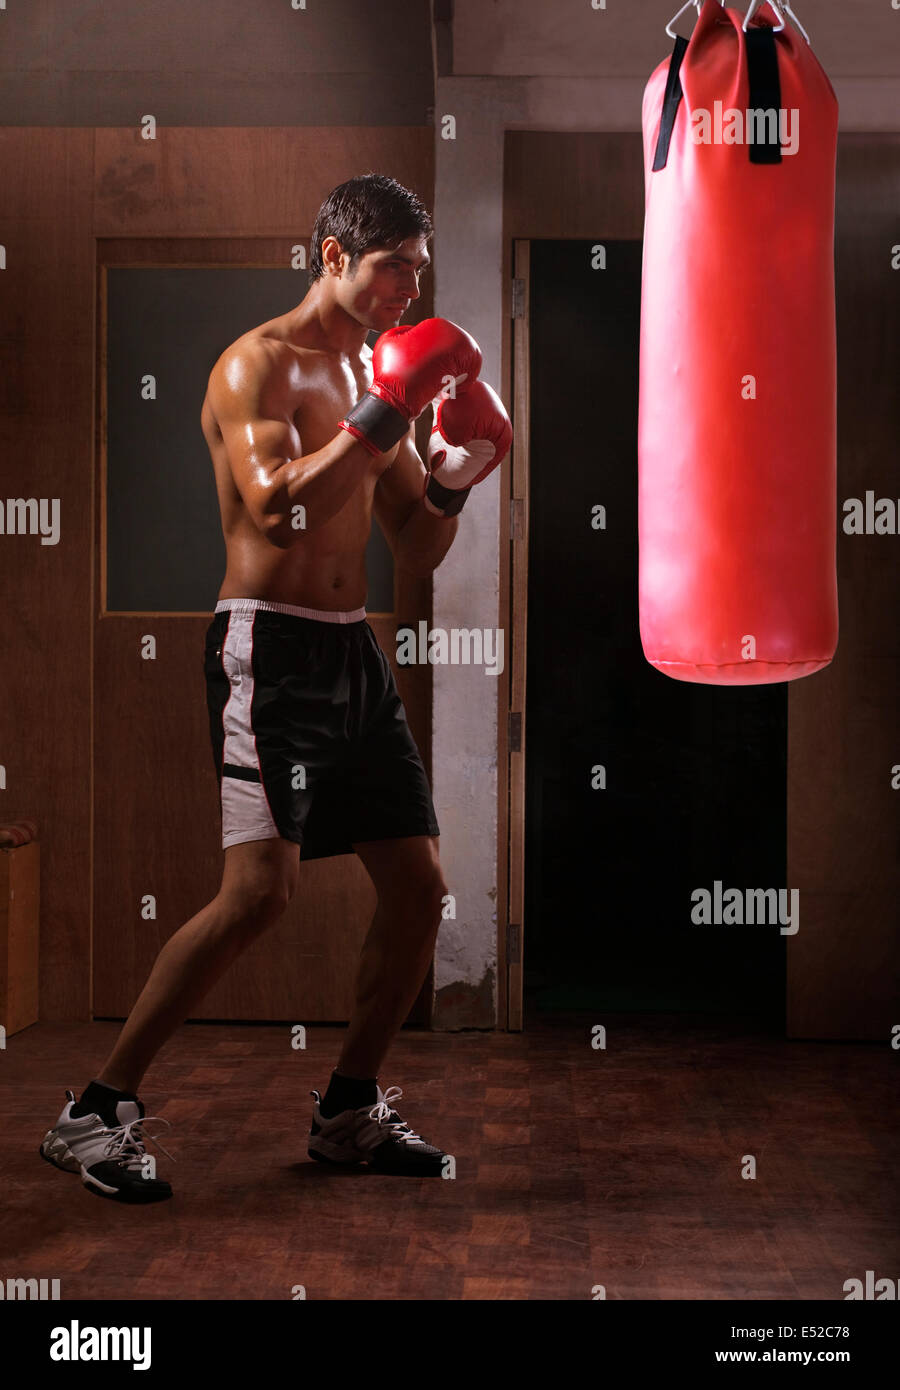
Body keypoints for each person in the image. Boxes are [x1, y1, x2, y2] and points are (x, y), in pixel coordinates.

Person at [39, 173, 511, 1201]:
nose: (408, 292)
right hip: (270, 652)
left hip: (353, 652)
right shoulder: (258, 365)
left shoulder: (368, 369)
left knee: (422, 888)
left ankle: (348, 1111)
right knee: (261, 894)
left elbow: (415, 552)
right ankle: (95, 1112)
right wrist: (388, 409)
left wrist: (455, 478)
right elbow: (275, 515)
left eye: (419, 275)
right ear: (336, 257)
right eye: (395, 270)